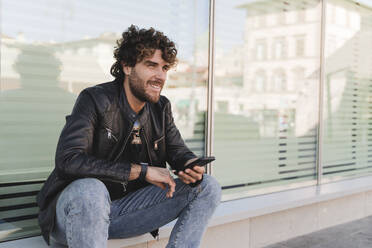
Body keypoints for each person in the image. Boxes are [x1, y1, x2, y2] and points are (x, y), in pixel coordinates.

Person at [36, 25, 221, 248]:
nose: (160, 76)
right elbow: (68, 161)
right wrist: (141, 171)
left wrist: (190, 164)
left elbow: (177, 151)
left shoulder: (161, 108)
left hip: (125, 212)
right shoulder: (95, 99)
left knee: (207, 186)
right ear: (127, 66)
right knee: (91, 189)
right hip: (78, 214)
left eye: (164, 68)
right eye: (151, 65)